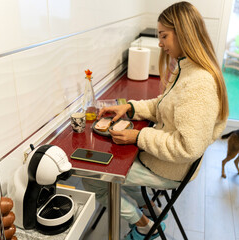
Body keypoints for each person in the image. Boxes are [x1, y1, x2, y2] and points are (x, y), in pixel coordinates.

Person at [82, 1, 229, 239]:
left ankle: (144, 224)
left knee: (94, 177)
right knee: (114, 170)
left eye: (164, 36)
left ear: (183, 33)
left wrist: (138, 136)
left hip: (171, 168)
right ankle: (153, 210)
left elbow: (187, 147)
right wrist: (128, 108)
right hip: (166, 160)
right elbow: (163, 105)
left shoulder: (199, 82)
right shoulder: (187, 67)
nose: (160, 43)